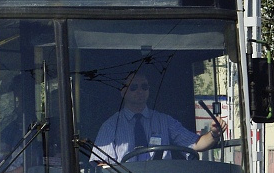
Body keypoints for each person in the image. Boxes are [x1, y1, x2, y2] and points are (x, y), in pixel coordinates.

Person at [92, 69, 225, 162]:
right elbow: (101, 164)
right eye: (133, 87)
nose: (139, 91)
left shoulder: (164, 121)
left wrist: (214, 133)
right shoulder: (110, 125)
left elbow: (195, 144)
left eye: (144, 87)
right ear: (122, 92)